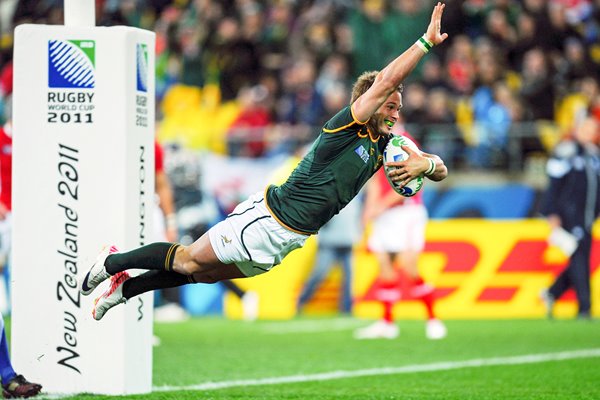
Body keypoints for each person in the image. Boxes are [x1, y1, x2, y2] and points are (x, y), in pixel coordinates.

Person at [79, 3, 449, 321]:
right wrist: (425, 44)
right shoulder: (346, 126)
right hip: (269, 218)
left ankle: (125, 291)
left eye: (398, 108)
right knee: (189, 259)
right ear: (369, 101)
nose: (395, 114)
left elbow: (439, 167)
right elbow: (385, 80)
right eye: (389, 105)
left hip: (292, 239)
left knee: (200, 275)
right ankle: (113, 262)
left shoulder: (386, 144)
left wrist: (426, 165)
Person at [354, 130, 447, 340]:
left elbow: (409, 183)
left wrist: (379, 206)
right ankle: (387, 323)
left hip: (406, 212)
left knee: (409, 266)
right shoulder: (373, 144)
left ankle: (433, 319)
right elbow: (376, 182)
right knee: (384, 267)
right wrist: (368, 212)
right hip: (383, 214)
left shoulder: (403, 143)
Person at [540, 116, 600, 319]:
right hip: (570, 216)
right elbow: (553, 185)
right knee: (580, 259)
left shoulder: (593, 155)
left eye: (594, 129)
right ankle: (585, 308)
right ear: (578, 129)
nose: (591, 133)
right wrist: (551, 212)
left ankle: (552, 293)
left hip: (588, 217)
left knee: (579, 260)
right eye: (587, 128)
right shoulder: (566, 152)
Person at [297, 194, 363, 314]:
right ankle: (301, 302)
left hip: (348, 242)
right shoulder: (331, 197)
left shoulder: (355, 197)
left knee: (349, 279)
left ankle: (347, 309)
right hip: (329, 242)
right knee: (319, 275)